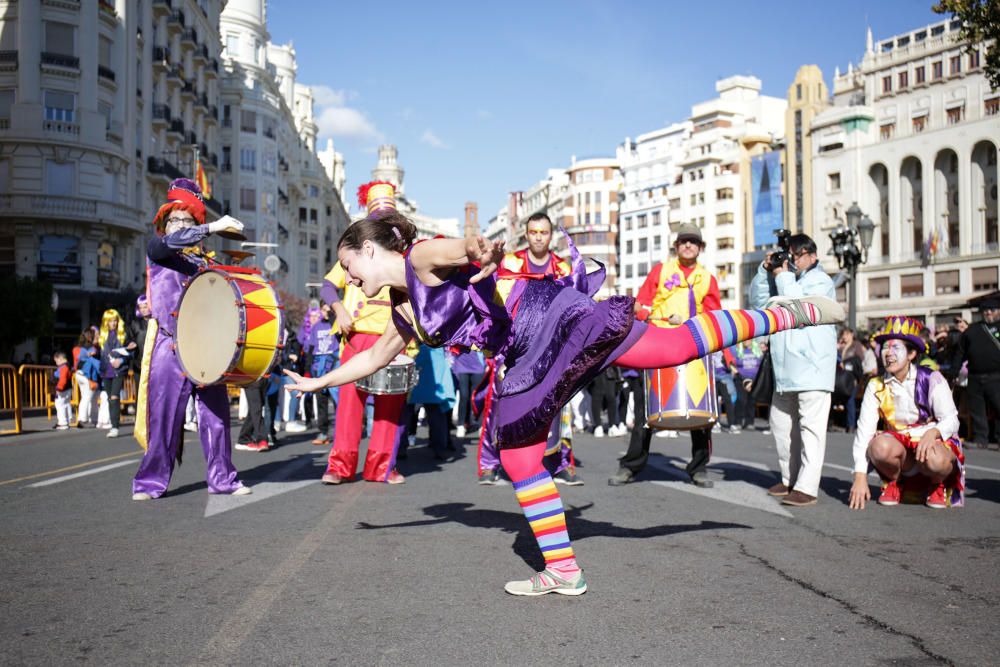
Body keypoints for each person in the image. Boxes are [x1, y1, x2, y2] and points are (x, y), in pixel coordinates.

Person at [284, 210, 843, 596]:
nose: (348, 278)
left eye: (348, 264)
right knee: (523, 456)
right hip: (524, 347)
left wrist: (478, 249)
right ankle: (564, 570)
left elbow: (461, 249)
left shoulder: (422, 258)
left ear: (369, 249)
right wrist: (318, 382)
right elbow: (377, 355)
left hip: (546, 319)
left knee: (670, 349)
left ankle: (797, 312)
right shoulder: (405, 303)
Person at [131, 178, 251, 500]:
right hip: (168, 346)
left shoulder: (206, 264)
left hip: (205, 348)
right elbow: (164, 252)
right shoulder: (158, 250)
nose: (179, 226)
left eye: (187, 220)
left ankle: (223, 478)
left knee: (217, 419)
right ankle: (150, 482)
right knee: (164, 419)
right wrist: (211, 227)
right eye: (174, 220)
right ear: (164, 223)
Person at [609, 223, 721, 488]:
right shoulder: (661, 270)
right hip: (658, 345)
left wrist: (694, 323)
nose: (688, 246)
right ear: (676, 246)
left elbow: (714, 317)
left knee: (701, 415)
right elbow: (640, 305)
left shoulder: (708, 279)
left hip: (693, 346)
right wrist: (648, 315)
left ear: (701, 247)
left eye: (693, 242)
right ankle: (631, 465)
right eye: (684, 241)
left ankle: (699, 467)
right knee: (644, 410)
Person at [479, 212, 583, 485]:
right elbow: (496, 301)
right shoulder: (511, 262)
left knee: (561, 401)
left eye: (544, 232)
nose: (538, 237)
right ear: (527, 234)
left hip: (552, 346)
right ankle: (490, 463)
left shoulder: (562, 268)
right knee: (498, 402)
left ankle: (561, 462)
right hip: (514, 345)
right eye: (534, 232)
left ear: (551, 236)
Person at [318, 181, 407, 485]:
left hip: (395, 338)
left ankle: (381, 467)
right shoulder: (354, 255)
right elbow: (328, 285)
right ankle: (340, 466)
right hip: (357, 337)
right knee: (349, 407)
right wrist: (339, 310)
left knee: (389, 409)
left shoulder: (404, 256)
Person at [749, 233, 837, 507]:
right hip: (784, 371)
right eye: (788, 255)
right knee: (780, 424)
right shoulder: (784, 280)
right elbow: (759, 301)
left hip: (812, 368)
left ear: (812, 255)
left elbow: (799, 306)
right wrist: (765, 272)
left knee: (811, 429)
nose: (791, 260)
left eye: (796, 255)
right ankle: (790, 478)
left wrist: (782, 275)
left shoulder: (821, 281)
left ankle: (807, 487)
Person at [848, 316, 964, 510]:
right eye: (885, 347)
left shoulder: (931, 378)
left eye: (895, 347)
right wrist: (859, 476)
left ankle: (938, 484)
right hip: (900, 447)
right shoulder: (875, 385)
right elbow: (864, 431)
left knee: (936, 459)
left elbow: (951, 419)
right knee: (878, 446)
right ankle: (895, 482)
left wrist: (932, 433)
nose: (888, 353)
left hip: (931, 444)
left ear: (911, 354)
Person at [952, 297, 1000, 447]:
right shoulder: (972, 330)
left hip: (997, 375)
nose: (988, 313)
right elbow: (960, 352)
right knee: (977, 410)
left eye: (992, 310)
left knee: (999, 407)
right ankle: (981, 439)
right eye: (985, 311)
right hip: (975, 376)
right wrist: (954, 372)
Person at [304, 302, 340, 446]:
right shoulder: (316, 326)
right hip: (319, 367)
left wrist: (333, 318)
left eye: (329, 309)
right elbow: (311, 348)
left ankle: (339, 432)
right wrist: (307, 369)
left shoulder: (336, 323)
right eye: (324, 309)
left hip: (334, 365)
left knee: (337, 401)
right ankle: (323, 432)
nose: (326, 312)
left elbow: (340, 336)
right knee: (321, 401)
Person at [97, 309, 135, 439]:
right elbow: (100, 355)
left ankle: (115, 426)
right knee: (109, 399)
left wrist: (121, 360)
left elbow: (131, 352)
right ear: (106, 322)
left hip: (119, 370)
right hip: (106, 371)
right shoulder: (102, 336)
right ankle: (113, 424)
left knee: (114, 397)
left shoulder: (123, 334)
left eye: (115, 320)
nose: (113, 323)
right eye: (110, 321)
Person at [72, 329, 100, 428]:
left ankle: (90, 418)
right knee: (89, 398)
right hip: (88, 376)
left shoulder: (80, 348)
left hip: (79, 374)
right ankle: (83, 419)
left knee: (86, 397)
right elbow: (95, 363)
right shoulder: (92, 348)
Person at [52, 351, 72, 430]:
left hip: (63, 389)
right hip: (68, 388)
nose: (56, 363)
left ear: (60, 358)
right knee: (66, 404)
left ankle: (62, 422)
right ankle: (67, 420)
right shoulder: (68, 366)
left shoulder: (63, 367)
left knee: (59, 405)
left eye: (56, 361)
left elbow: (63, 379)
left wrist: (59, 388)